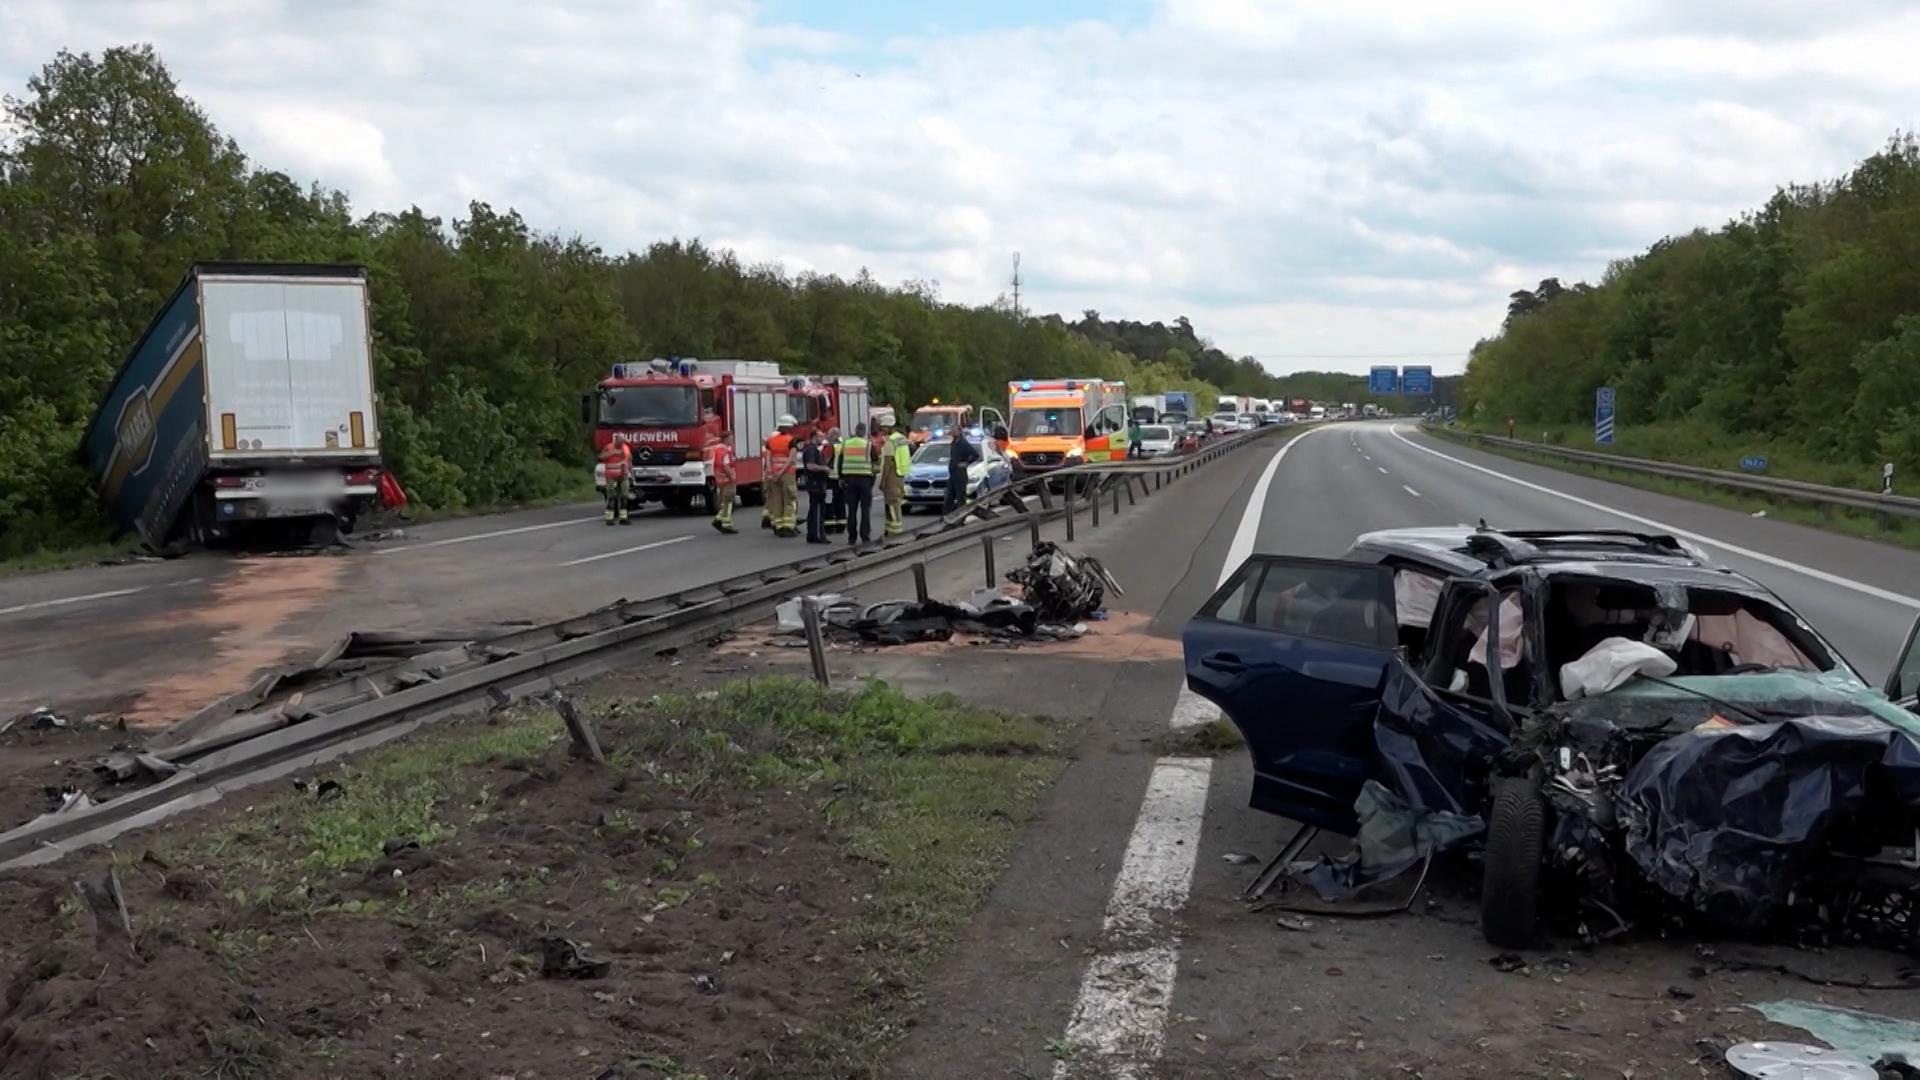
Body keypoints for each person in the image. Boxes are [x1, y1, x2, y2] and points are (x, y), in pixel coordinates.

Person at [836, 422, 877, 545]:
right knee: (865, 509)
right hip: (865, 481)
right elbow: (875, 462)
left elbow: (840, 462)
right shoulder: (868, 445)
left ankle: (851, 537)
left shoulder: (846, 444)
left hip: (849, 480)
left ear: (855, 430)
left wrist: (841, 477)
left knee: (852, 510)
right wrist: (872, 479)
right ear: (864, 432)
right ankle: (865, 536)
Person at [762, 414, 799, 537]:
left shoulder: (771, 440)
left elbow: (767, 458)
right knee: (789, 499)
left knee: (776, 500)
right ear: (788, 427)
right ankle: (787, 526)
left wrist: (772, 472)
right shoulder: (791, 440)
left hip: (773, 475)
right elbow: (790, 460)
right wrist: (781, 472)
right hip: (786, 474)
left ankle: (777, 525)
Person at [801, 427, 833, 543]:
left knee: (814, 508)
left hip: (816, 483)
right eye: (821, 436)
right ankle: (818, 535)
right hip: (816, 483)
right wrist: (824, 468)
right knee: (818, 509)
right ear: (814, 436)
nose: (822, 439)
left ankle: (813, 534)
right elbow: (810, 465)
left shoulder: (813, 449)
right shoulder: (811, 449)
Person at [880, 420, 911, 536]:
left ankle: (895, 532)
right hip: (900, 474)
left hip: (891, 475)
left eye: (883, 427)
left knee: (891, 504)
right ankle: (889, 530)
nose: (881, 430)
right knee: (895, 503)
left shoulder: (890, 441)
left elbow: (888, 462)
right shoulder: (901, 438)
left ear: (889, 427)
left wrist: (882, 481)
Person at [943, 424, 980, 514]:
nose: (953, 432)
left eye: (955, 430)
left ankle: (962, 518)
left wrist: (966, 463)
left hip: (960, 474)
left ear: (959, 431)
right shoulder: (954, 443)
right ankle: (946, 516)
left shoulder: (963, 443)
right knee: (949, 497)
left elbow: (975, 455)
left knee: (960, 498)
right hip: (953, 474)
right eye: (952, 430)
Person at [599, 440, 632, 525]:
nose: (621, 443)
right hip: (612, 478)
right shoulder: (609, 447)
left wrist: (630, 472)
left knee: (624, 496)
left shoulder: (626, 447)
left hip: (623, 477)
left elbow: (629, 459)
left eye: (622, 441)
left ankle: (623, 518)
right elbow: (600, 457)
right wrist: (612, 453)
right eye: (619, 441)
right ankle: (609, 519)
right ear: (615, 441)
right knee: (612, 496)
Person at [708, 440, 738, 534]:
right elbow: (726, 465)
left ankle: (718, 519)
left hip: (720, 480)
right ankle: (726, 524)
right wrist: (732, 477)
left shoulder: (717, 450)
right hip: (727, 480)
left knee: (724, 502)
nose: (733, 441)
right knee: (729, 503)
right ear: (727, 440)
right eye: (731, 439)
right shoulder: (726, 452)